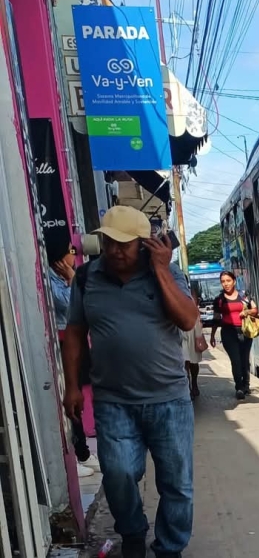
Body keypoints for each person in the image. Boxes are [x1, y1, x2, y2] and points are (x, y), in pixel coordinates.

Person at [61, 206, 199, 558]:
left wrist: (161, 269)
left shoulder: (167, 272)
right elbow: (75, 333)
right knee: (119, 473)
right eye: (108, 242)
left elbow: (186, 320)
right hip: (113, 400)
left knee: (177, 484)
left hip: (169, 399)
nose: (115, 250)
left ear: (144, 244)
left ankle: (170, 549)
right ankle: (133, 533)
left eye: (124, 244)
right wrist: (72, 386)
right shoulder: (87, 278)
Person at [46, 239, 99, 478]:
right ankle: (78, 453)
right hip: (60, 344)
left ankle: (82, 451)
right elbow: (69, 307)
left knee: (80, 393)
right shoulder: (50, 278)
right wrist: (71, 281)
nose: (74, 254)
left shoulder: (67, 276)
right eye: (70, 251)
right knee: (68, 397)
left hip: (73, 341)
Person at [210, 270, 257, 400]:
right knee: (235, 360)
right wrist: (212, 336)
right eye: (223, 281)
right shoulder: (219, 300)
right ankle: (239, 387)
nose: (226, 284)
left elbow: (255, 309)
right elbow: (216, 319)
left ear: (234, 281)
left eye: (228, 281)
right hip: (228, 333)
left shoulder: (244, 295)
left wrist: (246, 313)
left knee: (244, 359)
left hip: (245, 331)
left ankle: (246, 385)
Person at [181, 283, 204, 400]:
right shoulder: (171, 287)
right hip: (179, 329)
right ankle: (188, 387)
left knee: (194, 362)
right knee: (184, 361)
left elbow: (194, 306)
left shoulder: (190, 291)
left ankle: (194, 382)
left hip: (192, 327)